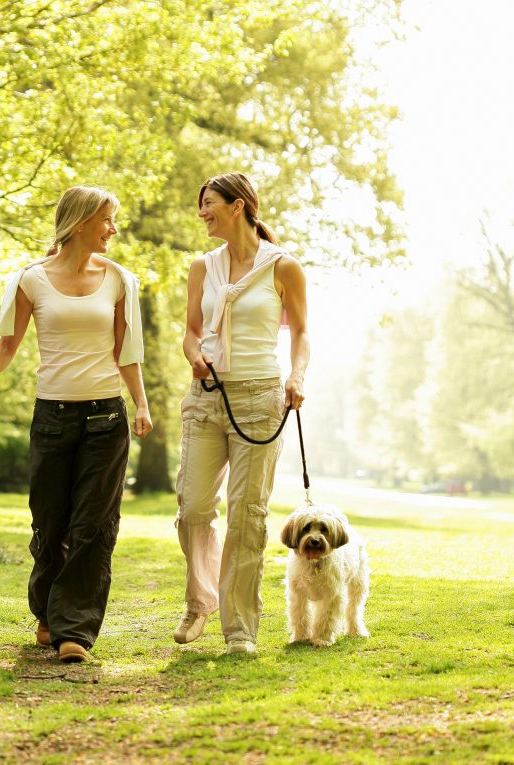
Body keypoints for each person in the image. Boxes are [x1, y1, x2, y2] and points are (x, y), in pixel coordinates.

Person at [0, 186, 152, 663]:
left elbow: (127, 352)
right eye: (107, 219)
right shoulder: (31, 279)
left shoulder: (120, 279)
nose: (113, 229)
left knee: (93, 526)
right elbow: (6, 346)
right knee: (49, 523)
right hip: (53, 417)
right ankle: (48, 610)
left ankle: (75, 632)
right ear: (82, 221)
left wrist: (142, 405)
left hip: (106, 416)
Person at [174, 172, 309, 655]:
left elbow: (302, 334)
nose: (201, 213)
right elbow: (191, 331)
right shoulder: (201, 268)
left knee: (247, 518)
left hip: (259, 398)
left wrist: (296, 376)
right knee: (192, 507)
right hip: (207, 398)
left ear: (238, 206)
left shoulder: (283, 267)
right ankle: (201, 601)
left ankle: (240, 630)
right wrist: (194, 355)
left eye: (208, 203)